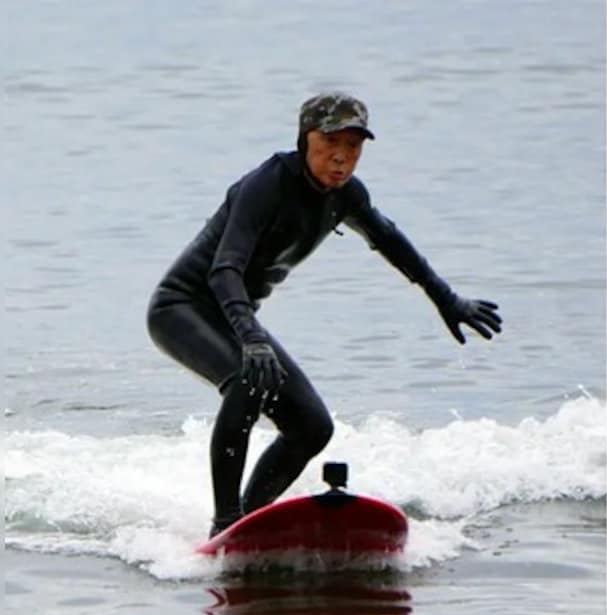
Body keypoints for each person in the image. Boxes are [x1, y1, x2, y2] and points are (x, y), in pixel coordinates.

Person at [146, 93, 503, 538]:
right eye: (331, 141)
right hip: (182, 308)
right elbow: (224, 271)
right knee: (245, 380)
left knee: (312, 427)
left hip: (234, 318)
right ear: (305, 139)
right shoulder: (267, 185)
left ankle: (249, 522)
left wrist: (446, 299)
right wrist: (251, 337)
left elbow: (389, 240)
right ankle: (225, 523)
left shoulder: (346, 196)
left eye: (354, 146)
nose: (342, 156)